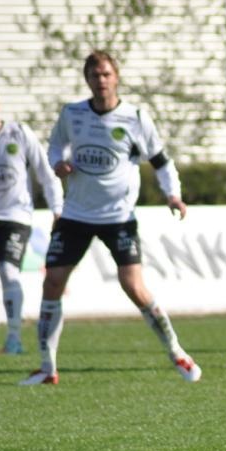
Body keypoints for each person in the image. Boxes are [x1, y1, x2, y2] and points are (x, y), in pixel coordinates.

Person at [19, 50, 201, 386]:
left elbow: (161, 161)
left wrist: (172, 194)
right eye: (94, 75)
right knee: (53, 281)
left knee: (133, 286)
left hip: (118, 216)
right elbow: (55, 146)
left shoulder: (135, 117)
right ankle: (47, 368)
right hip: (76, 213)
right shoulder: (72, 114)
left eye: (106, 74)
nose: (101, 81)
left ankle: (177, 352)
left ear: (116, 77)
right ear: (87, 80)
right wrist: (58, 164)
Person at [0, 94, 64, 354]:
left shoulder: (19, 133)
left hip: (15, 217)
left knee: (8, 270)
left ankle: (14, 338)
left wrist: (57, 209)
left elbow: (46, 173)